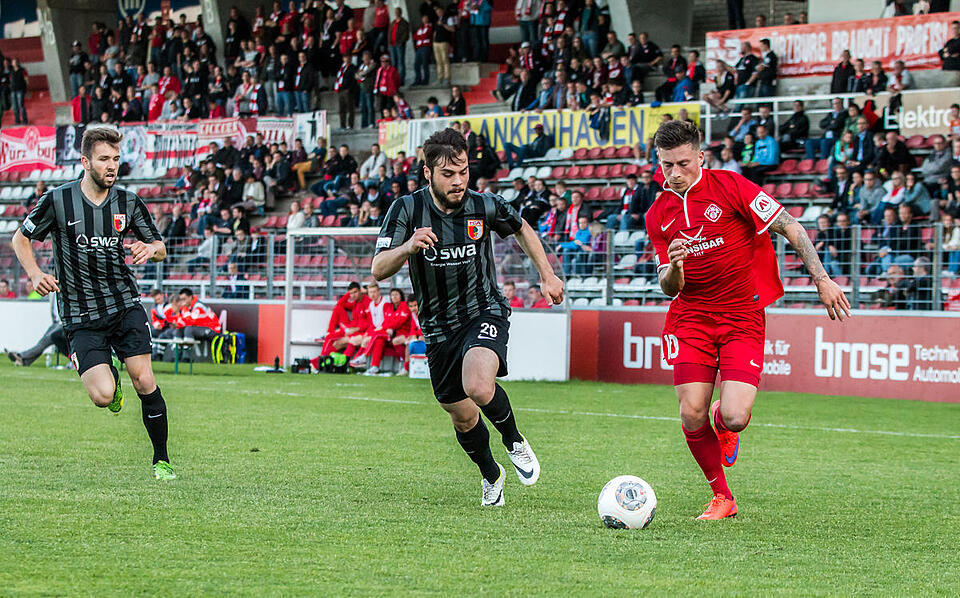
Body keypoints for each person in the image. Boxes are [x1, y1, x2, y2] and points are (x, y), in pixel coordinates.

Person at [644, 120, 849, 520]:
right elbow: (668, 287)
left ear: (700, 156)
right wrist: (676, 266)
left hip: (742, 317)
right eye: (667, 165)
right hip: (691, 319)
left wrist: (822, 280)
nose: (675, 173)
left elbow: (789, 226)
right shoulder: (658, 214)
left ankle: (722, 423)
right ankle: (722, 496)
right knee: (690, 412)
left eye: (683, 163)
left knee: (735, 418)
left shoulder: (731, 187)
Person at [372, 127, 564, 507]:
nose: (458, 181)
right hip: (438, 327)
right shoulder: (407, 210)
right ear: (428, 173)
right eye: (448, 174)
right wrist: (408, 246)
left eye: (463, 171)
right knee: (460, 414)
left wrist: (547, 274)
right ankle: (491, 475)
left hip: (483, 309)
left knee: (478, 384)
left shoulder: (484, 204)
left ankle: (514, 439)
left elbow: (522, 228)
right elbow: (378, 268)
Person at [11, 126, 175, 481]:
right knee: (103, 396)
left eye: (116, 159)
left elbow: (160, 246)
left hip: (124, 304)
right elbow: (20, 239)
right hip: (80, 314)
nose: (111, 166)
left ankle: (161, 460)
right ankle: (109, 382)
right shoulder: (58, 200)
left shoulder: (128, 202)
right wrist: (35, 272)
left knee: (144, 380)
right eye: (104, 159)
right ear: (85, 162)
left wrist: (151, 249)